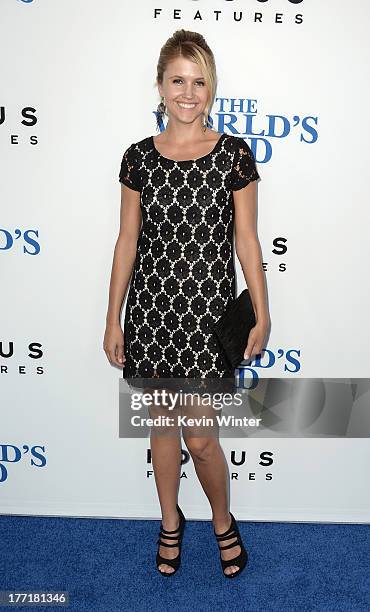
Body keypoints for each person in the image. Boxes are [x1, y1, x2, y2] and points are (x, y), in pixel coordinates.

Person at [103, 29, 270, 578]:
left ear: (211, 87)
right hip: (151, 314)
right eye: (178, 79)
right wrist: (113, 319)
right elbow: (127, 242)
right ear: (160, 85)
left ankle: (222, 520)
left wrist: (262, 313)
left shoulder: (233, 155)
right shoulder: (138, 160)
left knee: (200, 437)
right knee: (162, 431)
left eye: (199, 81)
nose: (188, 92)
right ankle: (169, 520)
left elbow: (247, 241)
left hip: (207, 320)